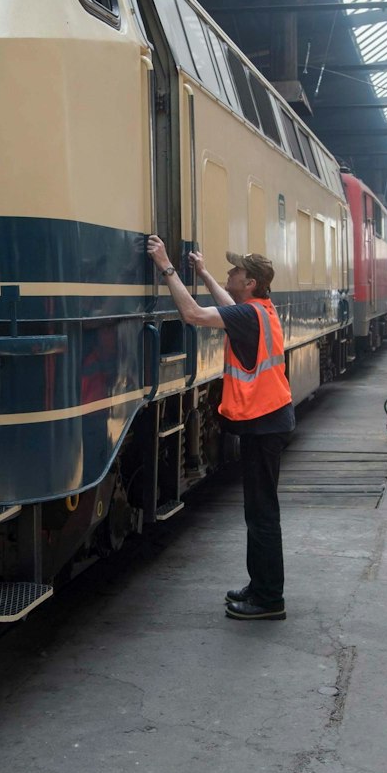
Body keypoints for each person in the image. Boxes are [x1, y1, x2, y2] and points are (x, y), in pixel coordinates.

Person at [145, 236, 294, 621]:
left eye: (236, 270)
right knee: (258, 511)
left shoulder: (250, 315)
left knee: (262, 514)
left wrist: (166, 266)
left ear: (250, 282)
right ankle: (259, 585)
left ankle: (269, 599)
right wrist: (205, 273)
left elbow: (193, 314)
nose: (230, 272)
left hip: (265, 425)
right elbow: (228, 307)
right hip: (268, 422)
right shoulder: (258, 310)